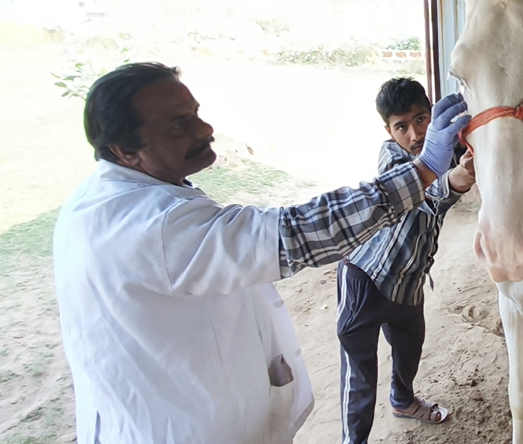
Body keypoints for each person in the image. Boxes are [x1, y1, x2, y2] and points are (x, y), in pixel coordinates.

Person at [53, 62, 469, 444]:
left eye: (196, 113)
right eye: (180, 125)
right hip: (184, 430)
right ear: (126, 151)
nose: (204, 129)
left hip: (191, 417)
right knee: (360, 371)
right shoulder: (151, 227)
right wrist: (425, 169)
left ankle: (401, 398)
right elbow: (298, 233)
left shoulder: (103, 200)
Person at [337, 77, 475, 444]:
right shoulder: (392, 158)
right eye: (402, 126)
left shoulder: (446, 153)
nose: (414, 134)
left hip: (408, 282)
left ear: (432, 116)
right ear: (389, 130)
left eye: (421, 119)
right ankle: (355, 441)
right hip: (366, 279)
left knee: (409, 350)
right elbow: (423, 194)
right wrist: (457, 179)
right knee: (360, 372)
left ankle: (402, 400)